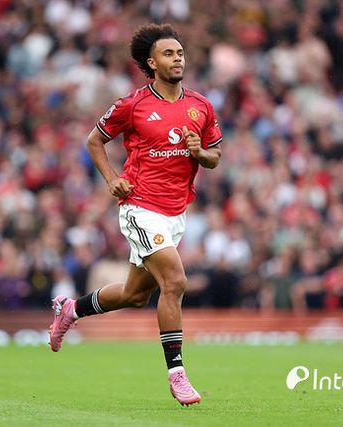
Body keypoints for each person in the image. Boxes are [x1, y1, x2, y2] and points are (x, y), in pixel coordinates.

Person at [48, 23, 222, 406]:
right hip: (140, 206)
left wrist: (200, 153)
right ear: (151, 62)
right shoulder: (133, 105)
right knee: (174, 281)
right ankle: (177, 374)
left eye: (180, 53)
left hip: (176, 212)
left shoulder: (201, 106)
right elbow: (94, 140)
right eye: (168, 54)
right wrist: (112, 178)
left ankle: (70, 309)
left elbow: (214, 157)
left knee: (135, 294)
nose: (177, 59)